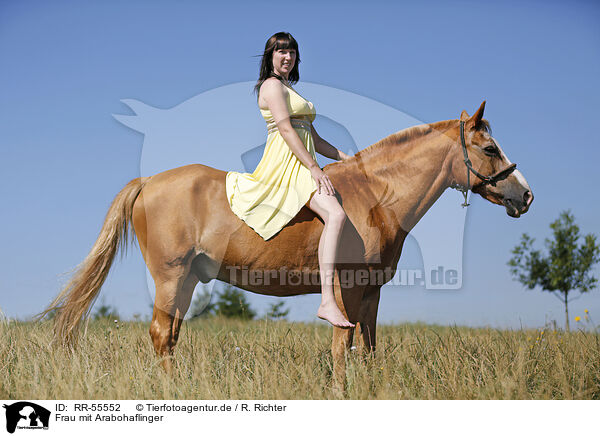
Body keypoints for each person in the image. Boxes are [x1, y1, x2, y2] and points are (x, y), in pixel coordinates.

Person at [225, 32, 354, 328]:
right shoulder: (271, 86)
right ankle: (327, 301)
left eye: (292, 52)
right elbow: (285, 129)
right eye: (281, 52)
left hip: (302, 160)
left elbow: (315, 138)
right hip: (287, 165)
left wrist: (347, 159)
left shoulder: (290, 89)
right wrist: (313, 168)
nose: (287, 57)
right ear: (270, 57)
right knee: (335, 214)